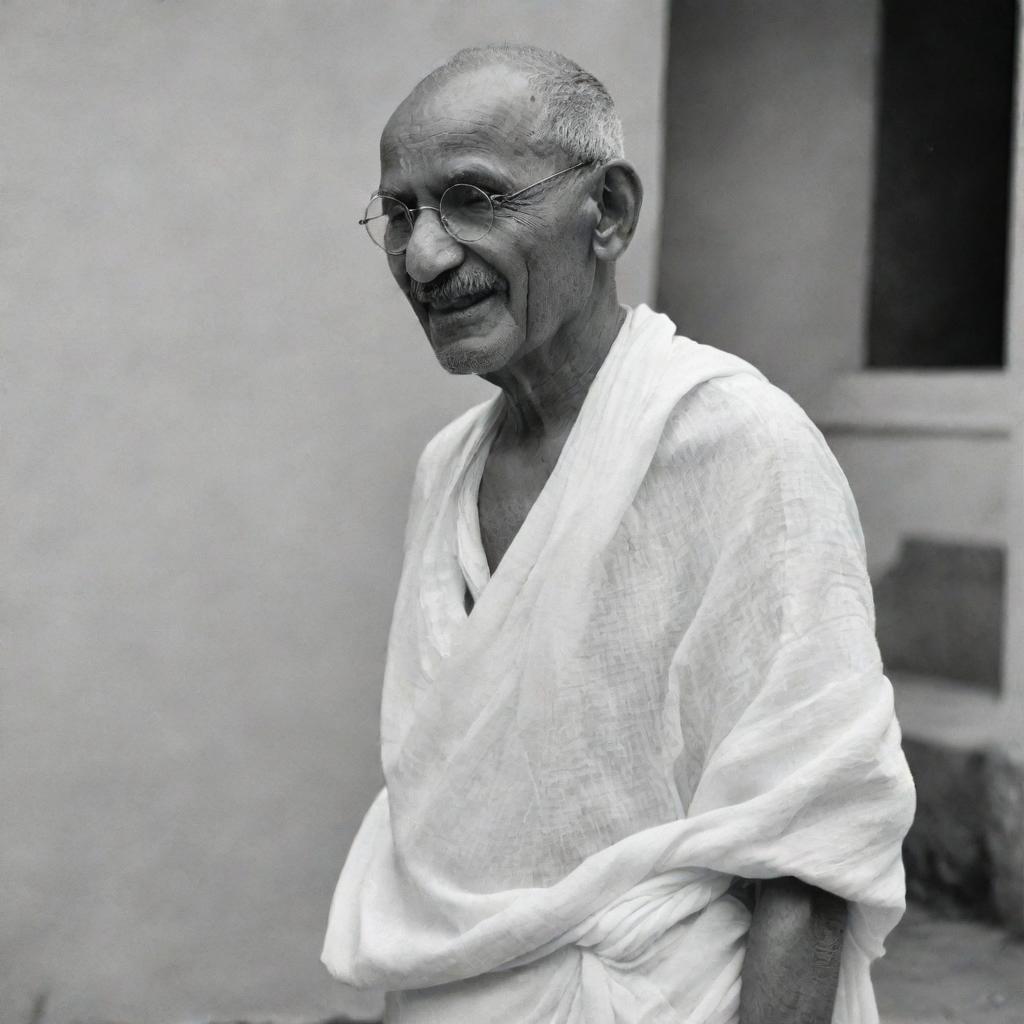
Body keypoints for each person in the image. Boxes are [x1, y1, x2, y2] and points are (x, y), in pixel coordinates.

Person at [322, 44, 915, 1024]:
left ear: (607, 213)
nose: (422, 255)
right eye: (398, 212)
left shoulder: (736, 441)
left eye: (472, 197)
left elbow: (807, 844)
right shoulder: (448, 469)